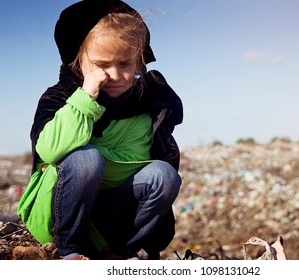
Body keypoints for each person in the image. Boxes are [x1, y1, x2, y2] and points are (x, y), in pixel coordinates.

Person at [17, 0, 183, 260]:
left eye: (126, 64)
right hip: (58, 211)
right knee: (85, 159)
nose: (115, 75)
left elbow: (135, 162)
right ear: (78, 61)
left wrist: (97, 163)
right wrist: (84, 101)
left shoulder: (146, 104)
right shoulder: (60, 97)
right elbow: (49, 151)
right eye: (102, 65)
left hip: (111, 214)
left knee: (163, 175)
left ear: (140, 62)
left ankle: (121, 250)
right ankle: (69, 252)